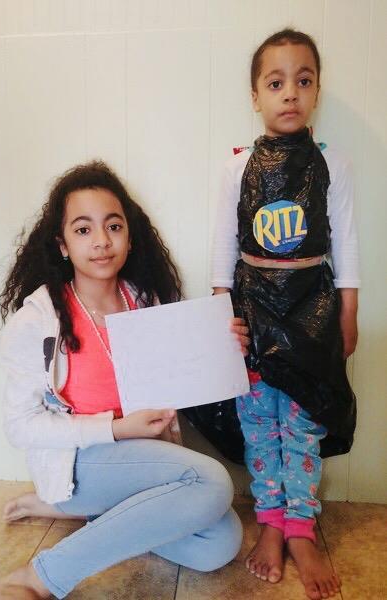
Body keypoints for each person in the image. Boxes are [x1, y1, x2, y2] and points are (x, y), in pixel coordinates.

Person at [0, 161, 249, 599]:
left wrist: (224, 346)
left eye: (113, 226)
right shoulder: (37, 321)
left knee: (219, 543)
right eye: (83, 229)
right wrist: (116, 429)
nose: (102, 241)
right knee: (212, 482)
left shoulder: (145, 302)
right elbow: (20, 427)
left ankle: (99, 515)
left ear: (129, 236)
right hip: (80, 463)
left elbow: (182, 376)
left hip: (146, 458)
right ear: (63, 244)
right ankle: (39, 576)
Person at [211, 29, 360, 600]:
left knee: (302, 421)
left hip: (312, 308)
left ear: (317, 91)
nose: (290, 93)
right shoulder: (236, 167)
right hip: (252, 306)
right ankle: (270, 520)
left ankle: (301, 527)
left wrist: (348, 311)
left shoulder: (333, 163)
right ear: (255, 96)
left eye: (303, 81)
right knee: (258, 420)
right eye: (276, 83)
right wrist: (222, 314)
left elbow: (345, 242)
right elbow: (222, 245)